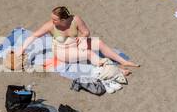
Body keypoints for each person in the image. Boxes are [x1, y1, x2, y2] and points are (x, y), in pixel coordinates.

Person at [10, 6, 138, 74]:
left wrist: (82, 37)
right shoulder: (50, 25)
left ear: (64, 19)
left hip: (76, 44)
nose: (52, 21)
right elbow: (34, 36)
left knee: (98, 42)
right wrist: (21, 49)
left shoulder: (75, 19)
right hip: (62, 52)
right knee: (89, 54)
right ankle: (117, 71)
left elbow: (86, 32)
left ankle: (123, 62)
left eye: (55, 19)